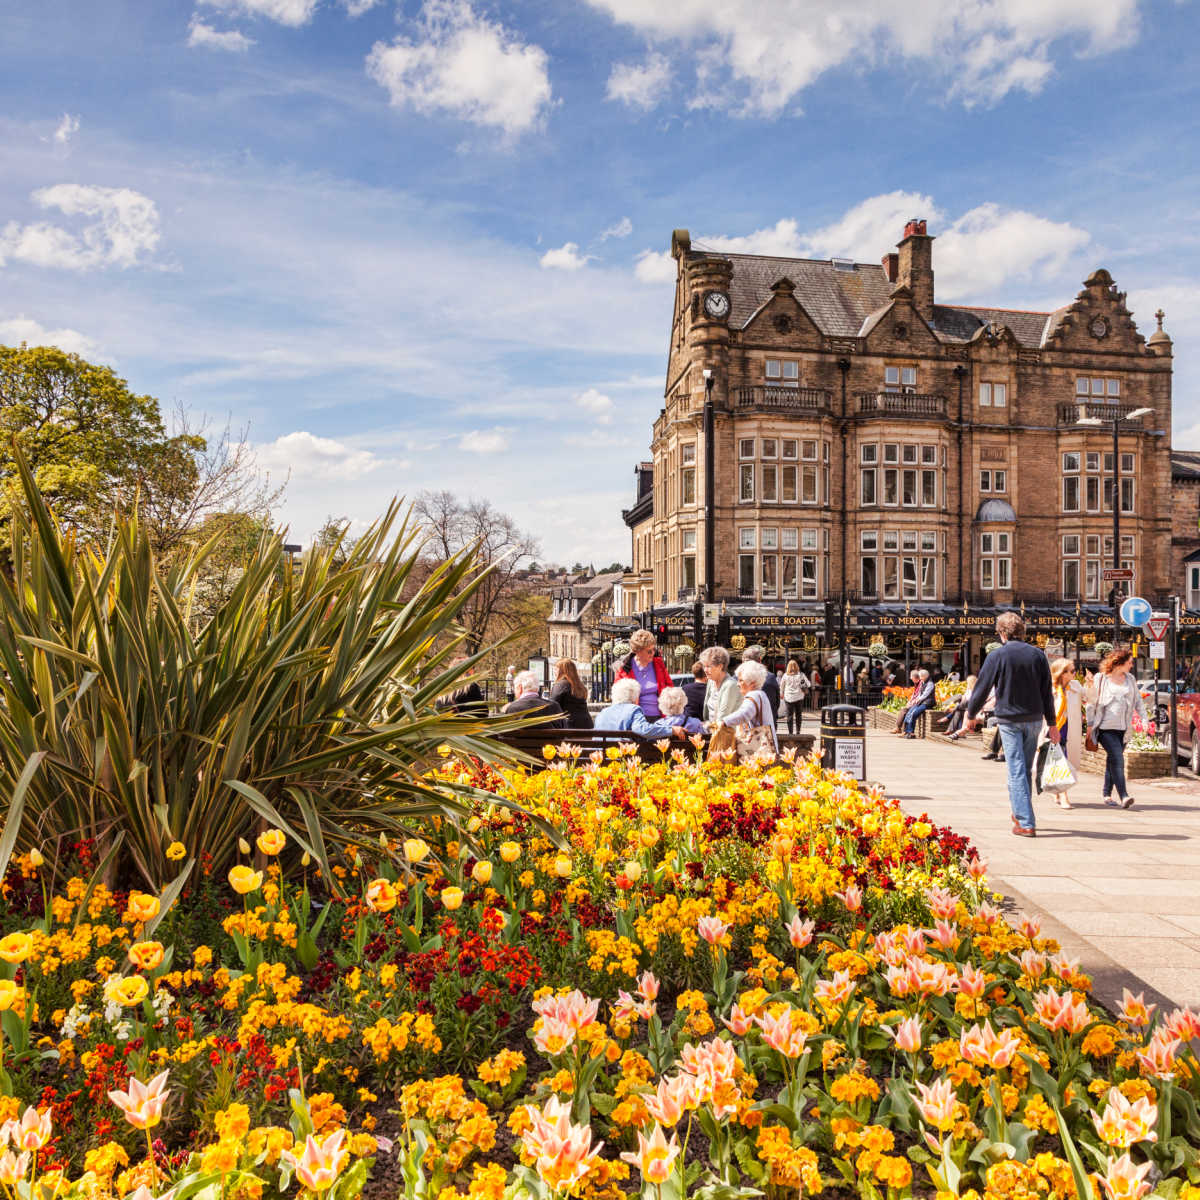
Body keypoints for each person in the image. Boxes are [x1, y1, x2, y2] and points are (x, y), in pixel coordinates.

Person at [965, 612, 1058, 838]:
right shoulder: (1038, 655)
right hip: (1035, 719)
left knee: (1016, 769)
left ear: (1001, 633)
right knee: (1023, 769)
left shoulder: (998, 656)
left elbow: (982, 687)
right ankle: (1019, 813)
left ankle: (1026, 822)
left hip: (1009, 720)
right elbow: (1047, 692)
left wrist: (970, 713)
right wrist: (1052, 723)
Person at [1087, 648, 1146, 810]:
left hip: (1124, 729)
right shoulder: (1101, 679)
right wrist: (1090, 725)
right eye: (1130, 662)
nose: (1132, 665)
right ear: (1119, 663)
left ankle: (1106, 793)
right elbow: (1091, 702)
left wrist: (1144, 718)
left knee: (1112, 761)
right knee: (1118, 759)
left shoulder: (1130, 679)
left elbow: (1138, 701)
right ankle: (1124, 796)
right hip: (1105, 729)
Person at [717, 660, 779, 757]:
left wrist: (724, 722)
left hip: (759, 752)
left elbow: (744, 714)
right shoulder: (761, 694)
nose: (738, 684)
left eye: (741, 680)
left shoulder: (753, 695)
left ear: (752, 683)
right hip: (767, 747)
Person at [594, 678, 682, 737]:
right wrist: (672, 730)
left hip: (600, 756)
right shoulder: (633, 709)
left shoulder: (603, 712)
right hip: (620, 756)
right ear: (635, 696)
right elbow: (643, 730)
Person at [614, 630, 673, 719]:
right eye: (649, 651)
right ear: (637, 651)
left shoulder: (658, 664)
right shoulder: (624, 668)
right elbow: (619, 697)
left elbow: (670, 688)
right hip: (635, 718)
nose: (653, 653)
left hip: (660, 717)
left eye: (654, 649)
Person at [699, 645, 742, 723]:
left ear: (720, 666)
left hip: (727, 733)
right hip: (713, 730)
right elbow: (707, 714)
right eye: (704, 666)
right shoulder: (711, 682)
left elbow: (723, 717)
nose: (705, 670)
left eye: (708, 666)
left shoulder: (730, 685)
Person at [549, 659, 593, 729]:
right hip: (587, 725)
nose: (554, 672)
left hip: (570, 726)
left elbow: (552, 705)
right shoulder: (580, 685)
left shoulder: (561, 684)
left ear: (562, 671)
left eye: (556, 669)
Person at [741, 646, 779, 723]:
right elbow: (776, 702)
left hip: (743, 725)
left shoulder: (736, 678)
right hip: (766, 725)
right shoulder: (770, 677)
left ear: (743, 662)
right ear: (760, 661)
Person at [896, 669, 935, 738]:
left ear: (925, 676)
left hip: (927, 703)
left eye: (921, 677)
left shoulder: (930, 684)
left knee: (914, 713)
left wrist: (917, 700)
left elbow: (925, 695)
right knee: (909, 712)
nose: (920, 678)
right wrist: (915, 700)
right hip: (921, 702)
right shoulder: (923, 682)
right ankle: (907, 731)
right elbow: (920, 693)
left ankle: (911, 732)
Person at [779, 659, 810, 735]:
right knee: (798, 715)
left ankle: (790, 732)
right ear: (797, 666)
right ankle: (798, 731)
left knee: (789, 716)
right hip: (799, 697)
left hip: (788, 697)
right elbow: (809, 684)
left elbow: (781, 686)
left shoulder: (785, 675)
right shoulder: (801, 675)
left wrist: (781, 694)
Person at [943, 674, 977, 739]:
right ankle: (953, 729)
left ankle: (950, 727)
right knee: (958, 711)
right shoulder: (969, 689)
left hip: (972, 707)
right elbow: (965, 698)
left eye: (968, 682)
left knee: (959, 708)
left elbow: (971, 700)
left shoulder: (976, 690)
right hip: (965, 707)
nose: (967, 683)